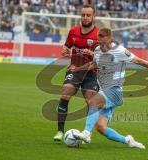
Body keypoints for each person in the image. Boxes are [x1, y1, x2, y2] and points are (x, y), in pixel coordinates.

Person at [71, 28, 148, 149]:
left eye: (104, 43)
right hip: (104, 90)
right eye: (99, 42)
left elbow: (138, 60)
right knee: (101, 127)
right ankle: (128, 141)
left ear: (110, 40)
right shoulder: (97, 50)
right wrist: (80, 70)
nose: (101, 46)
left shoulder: (120, 50)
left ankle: (86, 133)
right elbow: (95, 64)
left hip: (115, 90)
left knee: (93, 101)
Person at [53, 4, 99, 141]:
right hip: (74, 70)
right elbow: (67, 46)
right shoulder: (73, 31)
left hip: (91, 72)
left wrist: (91, 53)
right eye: (83, 15)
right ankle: (60, 132)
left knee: (92, 102)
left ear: (93, 16)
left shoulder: (99, 35)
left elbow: (104, 57)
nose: (85, 18)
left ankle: (86, 133)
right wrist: (65, 49)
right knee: (65, 94)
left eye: (88, 15)